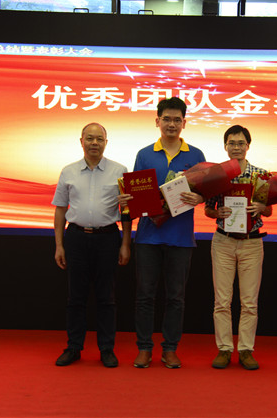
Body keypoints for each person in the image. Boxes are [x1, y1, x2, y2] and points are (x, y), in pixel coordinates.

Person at [119, 97, 206, 369]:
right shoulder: (145, 154)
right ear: (157, 121)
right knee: (145, 295)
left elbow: (206, 190)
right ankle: (144, 348)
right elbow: (136, 194)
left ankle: (170, 348)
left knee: (176, 298)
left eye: (177, 120)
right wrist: (128, 199)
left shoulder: (196, 155)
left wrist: (200, 198)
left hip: (181, 237)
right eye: (166, 119)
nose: (171, 124)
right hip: (148, 236)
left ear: (184, 123)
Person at [52, 122, 132, 368]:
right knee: (75, 297)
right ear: (81, 141)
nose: (94, 143)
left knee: (106, 297)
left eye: (99, 139)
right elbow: (60, 209)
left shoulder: (120, 171)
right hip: (76, 238)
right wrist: (59, 245)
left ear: (106, 142)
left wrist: (125, 244)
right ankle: (73, 347)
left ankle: (106, 349)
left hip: (107, 238)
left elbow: (127, 211)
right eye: (90, 138)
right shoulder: (68, 171)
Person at [204, 125, 271, 370]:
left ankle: (245, 350)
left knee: (249, 302)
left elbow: (268, 209)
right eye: (232, 143)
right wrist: (217, 213)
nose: (236, 147)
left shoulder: (261, 175)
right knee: (222, 300)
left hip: (251, 243)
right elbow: (208, 209)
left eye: (241, 143)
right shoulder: (217, 175)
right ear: (225, 146)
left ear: (248, 146)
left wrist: (261, 207)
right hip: (223, 241)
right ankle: (224, 349)